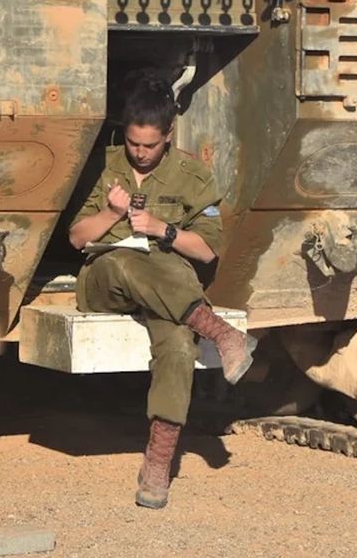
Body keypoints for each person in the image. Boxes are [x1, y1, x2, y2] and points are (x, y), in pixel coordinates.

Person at [68, 75, 255, 509]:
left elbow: (207, 250)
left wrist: (161, 229)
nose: (140, 152)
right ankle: (223, 334)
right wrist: (112, 214)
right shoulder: (103, 165)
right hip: (105, 277)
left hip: (168, 284)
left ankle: (159, 461)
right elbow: (78, 238)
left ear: (168, 136)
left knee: (175, 343)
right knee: (123, 260)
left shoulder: (192, 175)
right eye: (134, 143)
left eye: (150, 145)